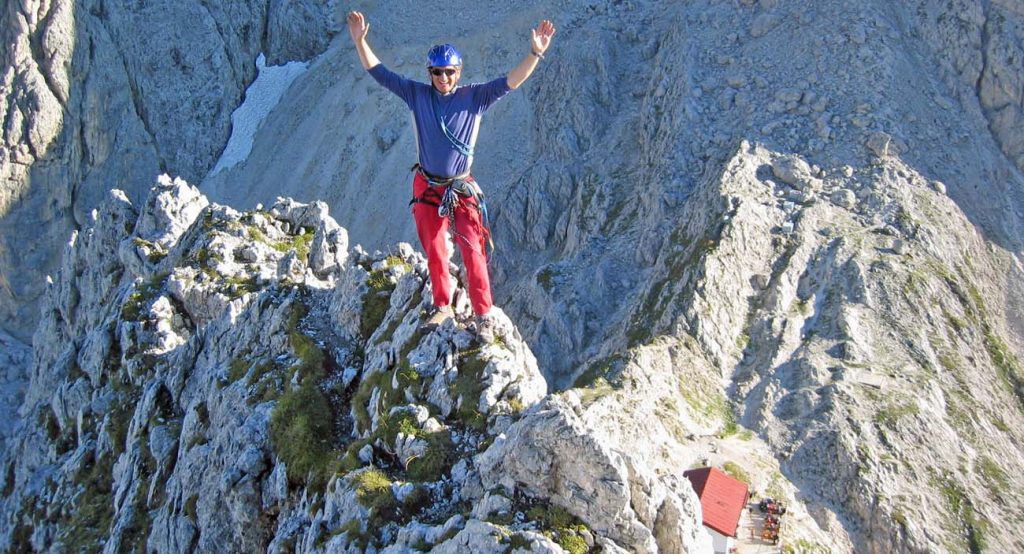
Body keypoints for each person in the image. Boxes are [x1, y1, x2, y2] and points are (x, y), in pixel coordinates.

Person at [347, 11, 555, 341]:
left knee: (473, 251)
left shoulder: (475, 96)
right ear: (429, 73)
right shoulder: (417, 94)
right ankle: (442, 305)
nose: (443, 77)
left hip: (460, 186)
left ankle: (483, 313)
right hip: (428, 185)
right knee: (435, 250)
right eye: (437, 72)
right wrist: (360, 42)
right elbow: (379, 73)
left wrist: (535, 54)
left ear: (459, 72)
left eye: (449, 71)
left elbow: (511, 81)